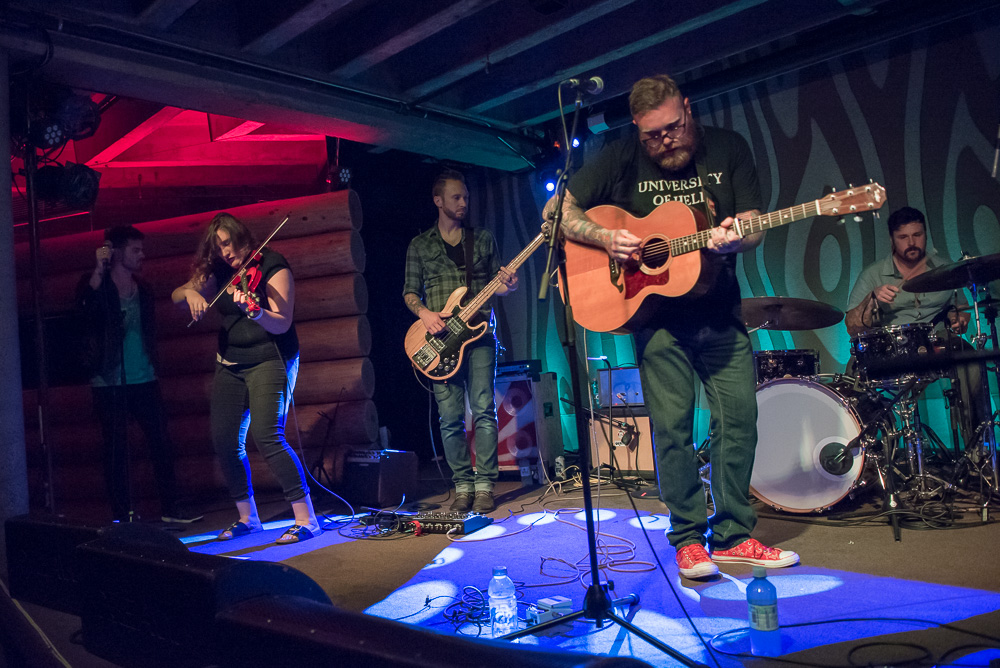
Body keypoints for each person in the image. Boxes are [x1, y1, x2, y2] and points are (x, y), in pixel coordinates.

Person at [545, 74, 799, 579]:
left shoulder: (728, 149)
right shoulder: (620, 158)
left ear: (688, 108)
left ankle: (733, 535)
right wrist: (604, 237)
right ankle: (687, 538)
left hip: (720, 311)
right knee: (672, 431)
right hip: (655, 320)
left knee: (739, 422)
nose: (665, 142)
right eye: (651, 136)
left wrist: (736, 238)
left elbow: (750, 222)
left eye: (672, 128)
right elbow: (557, 209)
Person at [171, 213, 320, 544]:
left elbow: (282, 322)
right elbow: (176, 295)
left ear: (241, 236)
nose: (225, 252)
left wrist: (256, 312)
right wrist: (191, 293)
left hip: (271, 358)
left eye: (228, 243)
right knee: (225, 440)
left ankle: (306, 518)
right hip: (229, 363)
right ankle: (248, 518)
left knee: (268, 435)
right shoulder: (219, 272)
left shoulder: (272, 265)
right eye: (218, 246)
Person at [403, 169, 518, 514]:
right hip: (439, 339)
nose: (464, 203)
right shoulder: (420, 245)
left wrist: (509, 285)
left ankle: (485, 485)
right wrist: (424, 313)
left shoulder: (481, 238)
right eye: (456, 197)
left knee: (483, 409)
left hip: (480, 333)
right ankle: (462, 484)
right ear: (438, 201)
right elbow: (410, 293)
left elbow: (498, 284)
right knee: (449, 417)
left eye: (466, 197)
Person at [77, 225, 201, 524]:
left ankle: (172, 509)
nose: (142, 255)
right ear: (117, 252)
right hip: (109, 381)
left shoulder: (143, 290)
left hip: (144, 377)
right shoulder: (96, 285)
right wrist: (98, 268)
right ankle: (123, 515)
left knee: (161, 443)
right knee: (116, 451)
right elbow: (82, 312)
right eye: (136, 249)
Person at [845, 206, 984, 447]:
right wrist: (872, 298)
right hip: (891, 346)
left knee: (971, 361)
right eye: (903, 237)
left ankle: (976, 450)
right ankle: (871, 454)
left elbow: (960, 308)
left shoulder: (945, 269)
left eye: (917, 235)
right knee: (854, 373)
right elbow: (852, 326)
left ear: (925, 235)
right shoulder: (873, 274)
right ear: (892, 240)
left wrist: (959, 318)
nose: (911, 243)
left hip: (935, 342)